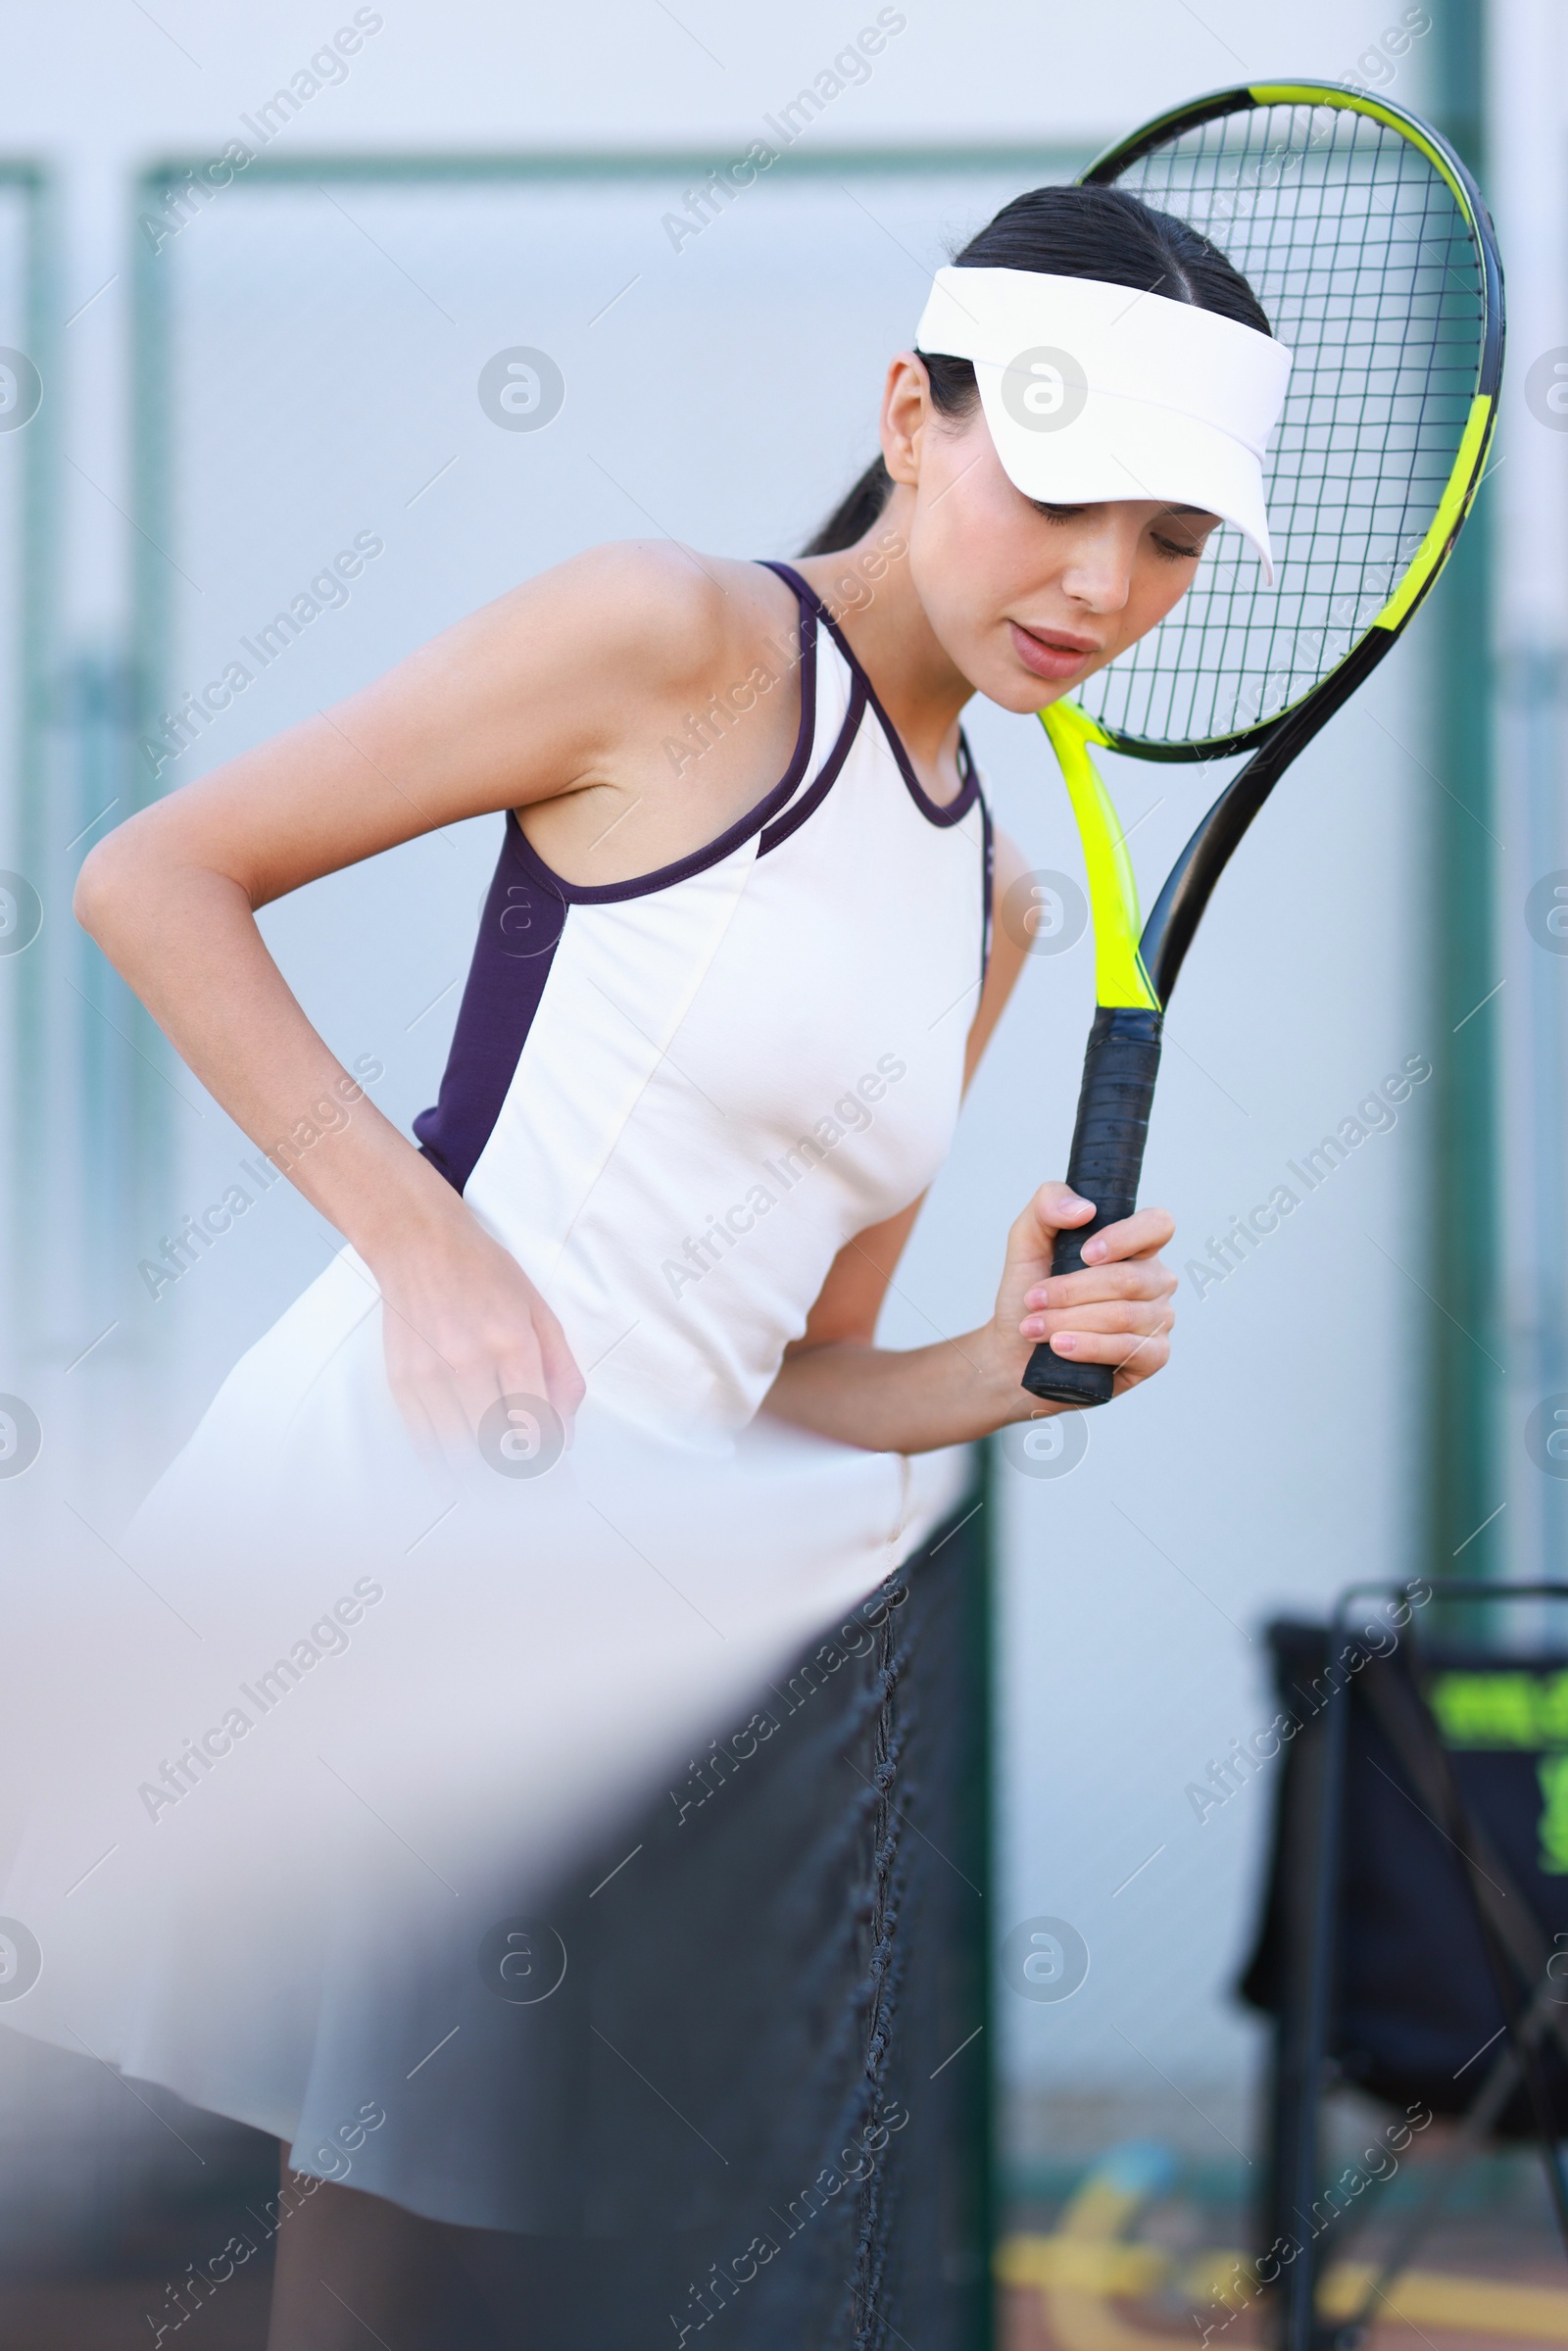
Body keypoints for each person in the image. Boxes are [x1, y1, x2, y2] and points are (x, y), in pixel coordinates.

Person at [22, 181, 1284, 2347]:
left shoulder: (987, 894)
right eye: (1062, 496)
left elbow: (791, 1366)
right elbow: (158, 879)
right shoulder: (672, 637)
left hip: (618, 1632)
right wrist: (426, 1251)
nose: (1104, 583)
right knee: (249, 2225)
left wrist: (1002, 1361)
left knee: (417, 2260)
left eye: (1171, 540)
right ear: (911, 414)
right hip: (377, 1534)